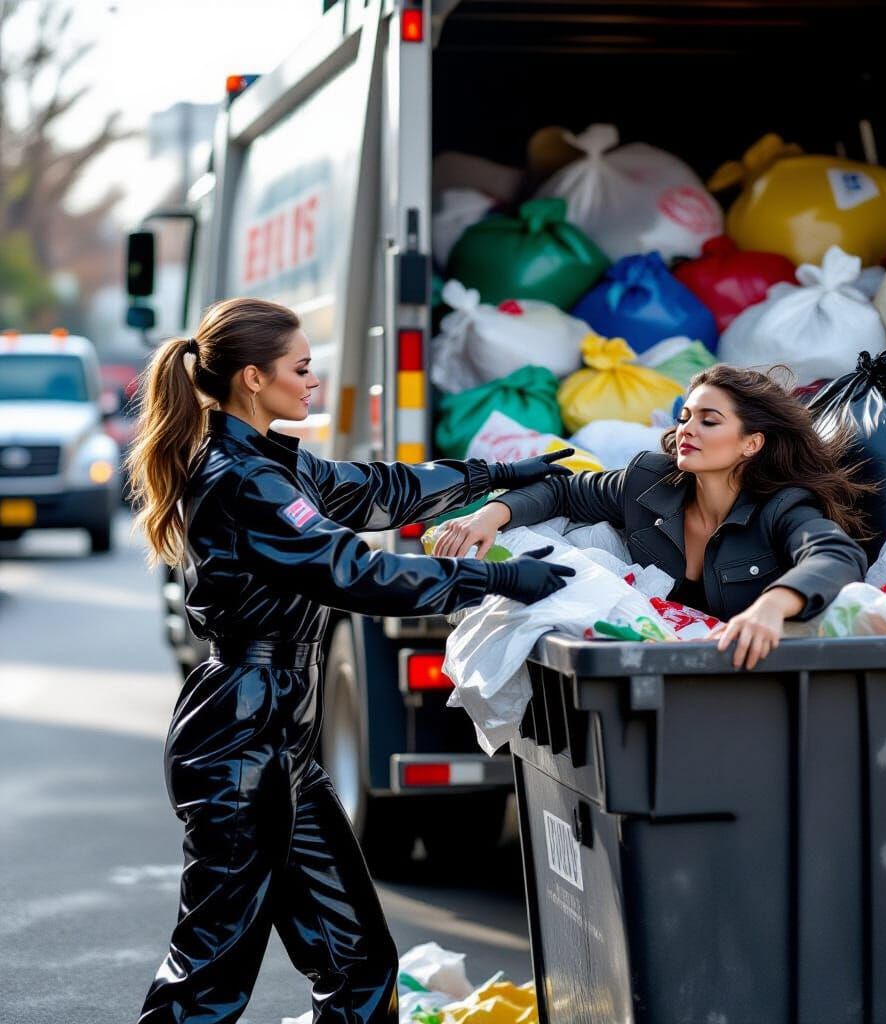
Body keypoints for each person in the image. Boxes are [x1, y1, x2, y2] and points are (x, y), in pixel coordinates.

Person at [126, 297, 575, 1024]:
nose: (312, 383)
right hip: (241, 743)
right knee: (207, 978)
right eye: (301, 369)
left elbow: (379, 490)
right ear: (250, 378)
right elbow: (352, 573)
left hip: (279, 741)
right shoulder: (244, 481)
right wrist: (491, 578)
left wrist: (494, 475)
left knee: (359, 961)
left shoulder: (275, 464)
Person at [433, 364, 871, 670]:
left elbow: (835, 554)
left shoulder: (782, 506)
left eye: (709, 421)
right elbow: (562, 490)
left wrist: (773, 606)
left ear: (751, 444)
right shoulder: (649, 481)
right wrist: (491, 514)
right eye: (684, 417)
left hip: (744, 680)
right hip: (649, 678)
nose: (687, 430)